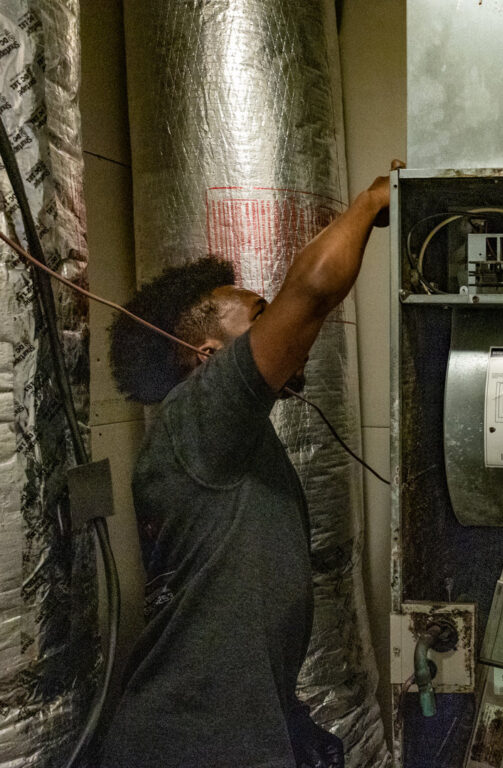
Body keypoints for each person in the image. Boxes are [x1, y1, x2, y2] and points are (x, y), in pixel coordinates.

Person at [99, 162, 400, 768]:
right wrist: (370, 202)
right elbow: (312, 292)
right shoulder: (198, 418)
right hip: (192, 745)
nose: (276, 323)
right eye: (260, 314)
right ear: (208, 355)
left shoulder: (223, 435)